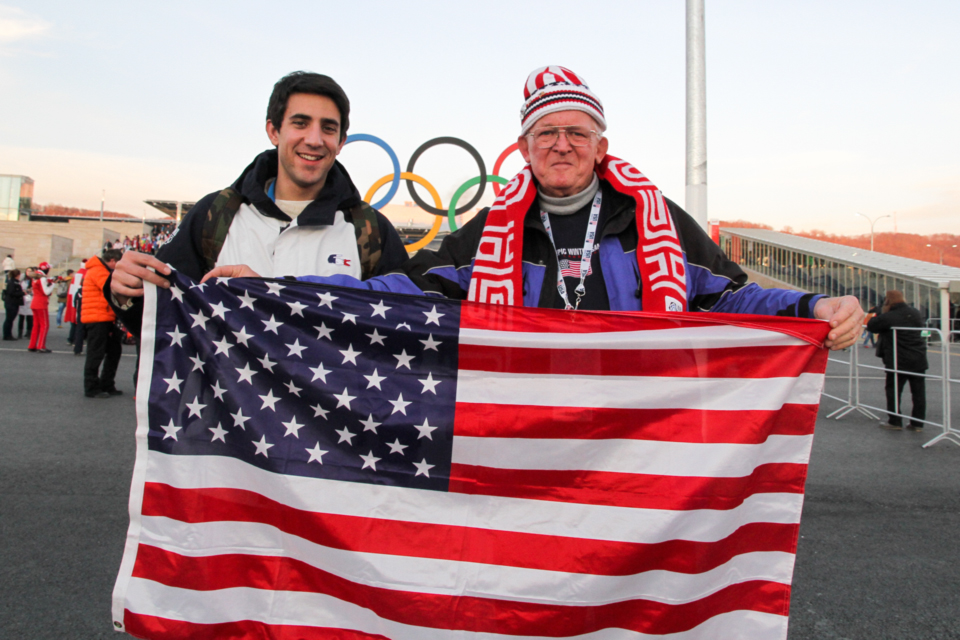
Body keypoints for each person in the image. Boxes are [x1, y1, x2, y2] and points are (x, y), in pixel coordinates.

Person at [207, 65, 863, 349]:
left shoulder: (652, 221)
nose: (562, 145)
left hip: (635, 440)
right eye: (546, 133)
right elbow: (399, 290)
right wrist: (274, 290)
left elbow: (726, 297)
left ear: (601, 145)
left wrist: (813, 306)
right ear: (523, 146)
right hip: (519, 436)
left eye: (578, 133)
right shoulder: (494, 230)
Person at [107, 71, 409, 337]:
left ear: (341, 141)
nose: (314, 139)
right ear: (274, 131)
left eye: (328, 128)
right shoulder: (215, 214)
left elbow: (404, 330)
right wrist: (126, 292)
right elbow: (162, 322)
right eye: (300, 123)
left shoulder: (370, 230)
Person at [867, 290, 927, 430]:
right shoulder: (915, 313)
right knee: (918, 393)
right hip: (918, 357)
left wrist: (881, 311)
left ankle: (895, 421)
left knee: (893, 390)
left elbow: (872, 326)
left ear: (888, 301)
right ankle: (917, 423)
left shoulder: (890, 316)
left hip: (897, 358)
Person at [82, 250, 123, 398]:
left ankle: (106, 383)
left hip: (103, 317)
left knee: (113, 352)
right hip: (98, 318)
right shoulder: (98, 271)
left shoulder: (99, 270)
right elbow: (111, 289)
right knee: (96, 353)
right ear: (112, 260)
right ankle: (92, 387)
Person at [28, 261, 55, 353]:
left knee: (36, 325)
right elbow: (46, 292)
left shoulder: (36, 277)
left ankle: (32, 345)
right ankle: (41, 345)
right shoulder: (42, 278)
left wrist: (50, 281)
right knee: (45, 325)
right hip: (41, 303)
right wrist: (53, 284)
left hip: (34, 302)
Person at [2, 268, 23, 340]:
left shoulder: (14, 282)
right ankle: (7, 335)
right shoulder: (12, 282)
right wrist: (22, 293)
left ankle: (8, 334)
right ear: (17, 275)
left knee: (10, 319)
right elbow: (11, 293)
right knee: (9, 319)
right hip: (11, 303)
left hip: (12, 303)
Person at [17, 269, 33, 340]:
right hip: (23, 299)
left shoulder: (33, 280)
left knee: (29, 317)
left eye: (30, 271)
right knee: (21, 317)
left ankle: (29, 333)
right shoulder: (22, 280)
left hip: (30, 299)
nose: (29, 273)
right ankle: (20, 333)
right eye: (28, 271)